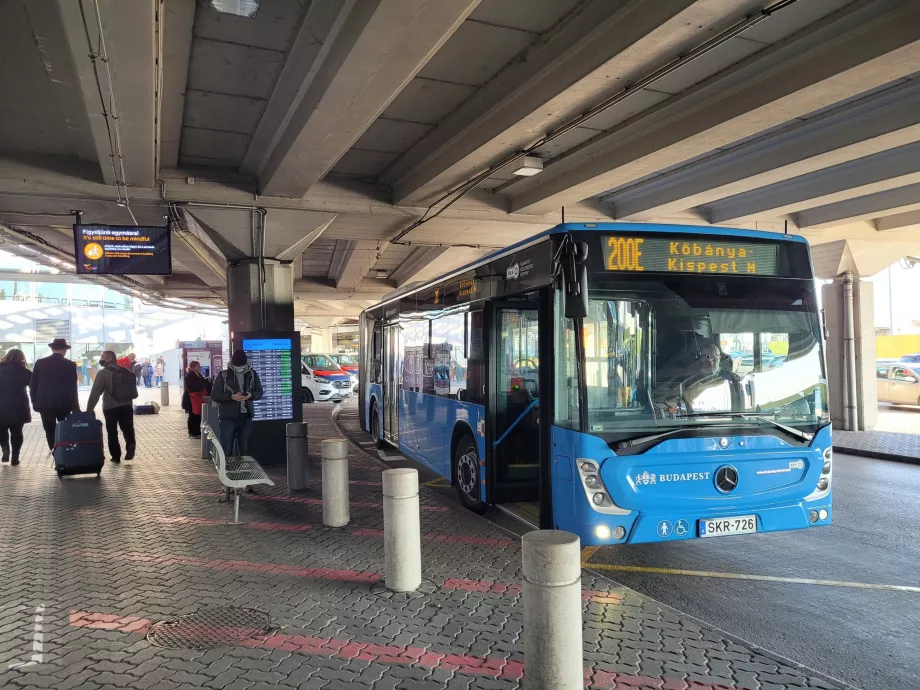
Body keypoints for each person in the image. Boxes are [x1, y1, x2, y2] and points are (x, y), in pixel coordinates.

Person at [86, 350, 136, 463]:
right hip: (127, 405)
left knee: (112, 432)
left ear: (108, 359)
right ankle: (130, 444)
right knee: (128, 428)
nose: (100, 359)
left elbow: (95, 393)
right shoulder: (125, 370)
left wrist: (89, 410)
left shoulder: (103, 373)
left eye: (102, 357)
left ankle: (116, 456)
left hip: (110, 407)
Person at [30, 338, 80, 451]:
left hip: (44, 404)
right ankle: (64, 453)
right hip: (64, 404)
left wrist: (34, 402)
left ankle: (55, 454)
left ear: (52, 348)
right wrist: (75, 407)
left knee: (49, 431)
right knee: (64, 429)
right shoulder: (70, 365)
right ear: (65, 350)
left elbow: (33, 385)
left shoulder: (40, 363)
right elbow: (73, 388)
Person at [211, 349, 263, 456]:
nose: (240, 369)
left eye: (242, 367)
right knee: (226, 448)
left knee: (245, 449)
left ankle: (244, 471)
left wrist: (250, 395)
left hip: (246, 416)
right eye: (237, 367)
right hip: (228, 417)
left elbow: (259, 392)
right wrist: (231, 397)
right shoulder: (223, 375)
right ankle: (226, 471)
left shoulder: (252, 374)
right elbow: (215, 395)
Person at [0, 349, 32, 465]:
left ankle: (5, 449)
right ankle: (15, 457)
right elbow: (34, 387)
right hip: (19, 406)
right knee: (17, 432)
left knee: (1, 430)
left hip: (1, 406)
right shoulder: (25, 372)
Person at [183, 361, 211, 439]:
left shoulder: (198, 374)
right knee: (192, 415)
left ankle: (197, 431)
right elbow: (192, 386)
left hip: (198, 398)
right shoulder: (189, 375)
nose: (200, 367)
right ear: (194, 367)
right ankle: (192, 432)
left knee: (197, 415)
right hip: (191, 398)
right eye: (198, 366)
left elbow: (202, 382)